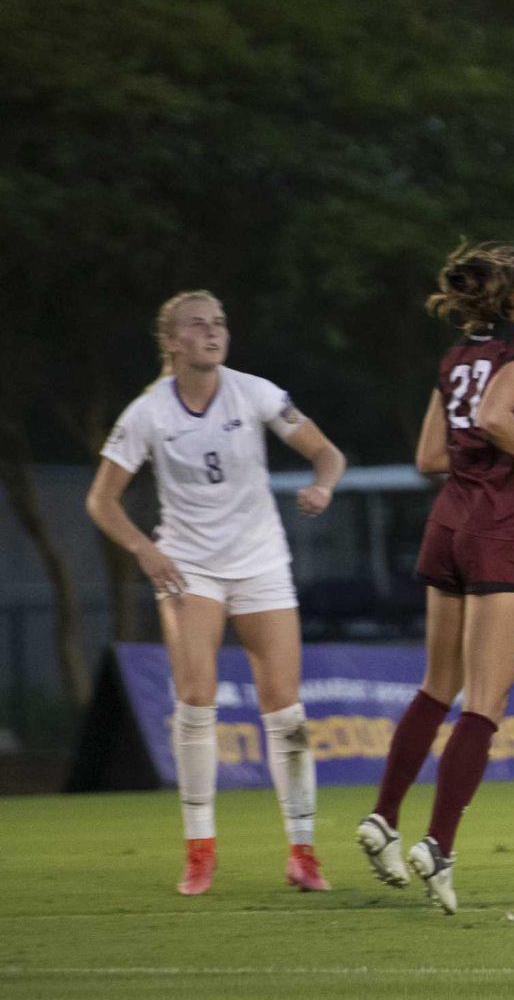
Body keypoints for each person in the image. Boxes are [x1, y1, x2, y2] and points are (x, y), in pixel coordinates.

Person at [86, 291, 348, 896]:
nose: (212, 333)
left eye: (220, 323)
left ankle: (303, 853)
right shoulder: (147, 412)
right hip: (189, 568)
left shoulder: (253, 392)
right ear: (172, 341)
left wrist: (323, 486)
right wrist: (144, 550)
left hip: (260, 563)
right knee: (197, 699)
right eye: (197, 326)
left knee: (284, 708)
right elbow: (101, 500)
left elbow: (326, 453)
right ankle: (200, 850)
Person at [355, 243, 514, 914]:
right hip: (499, 527)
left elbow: (428, 455)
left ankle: (383, 818)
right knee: (485, 703)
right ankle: (438, 845)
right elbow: (494, 417)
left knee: (435, 686)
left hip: (448, 522)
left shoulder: (457, 357)